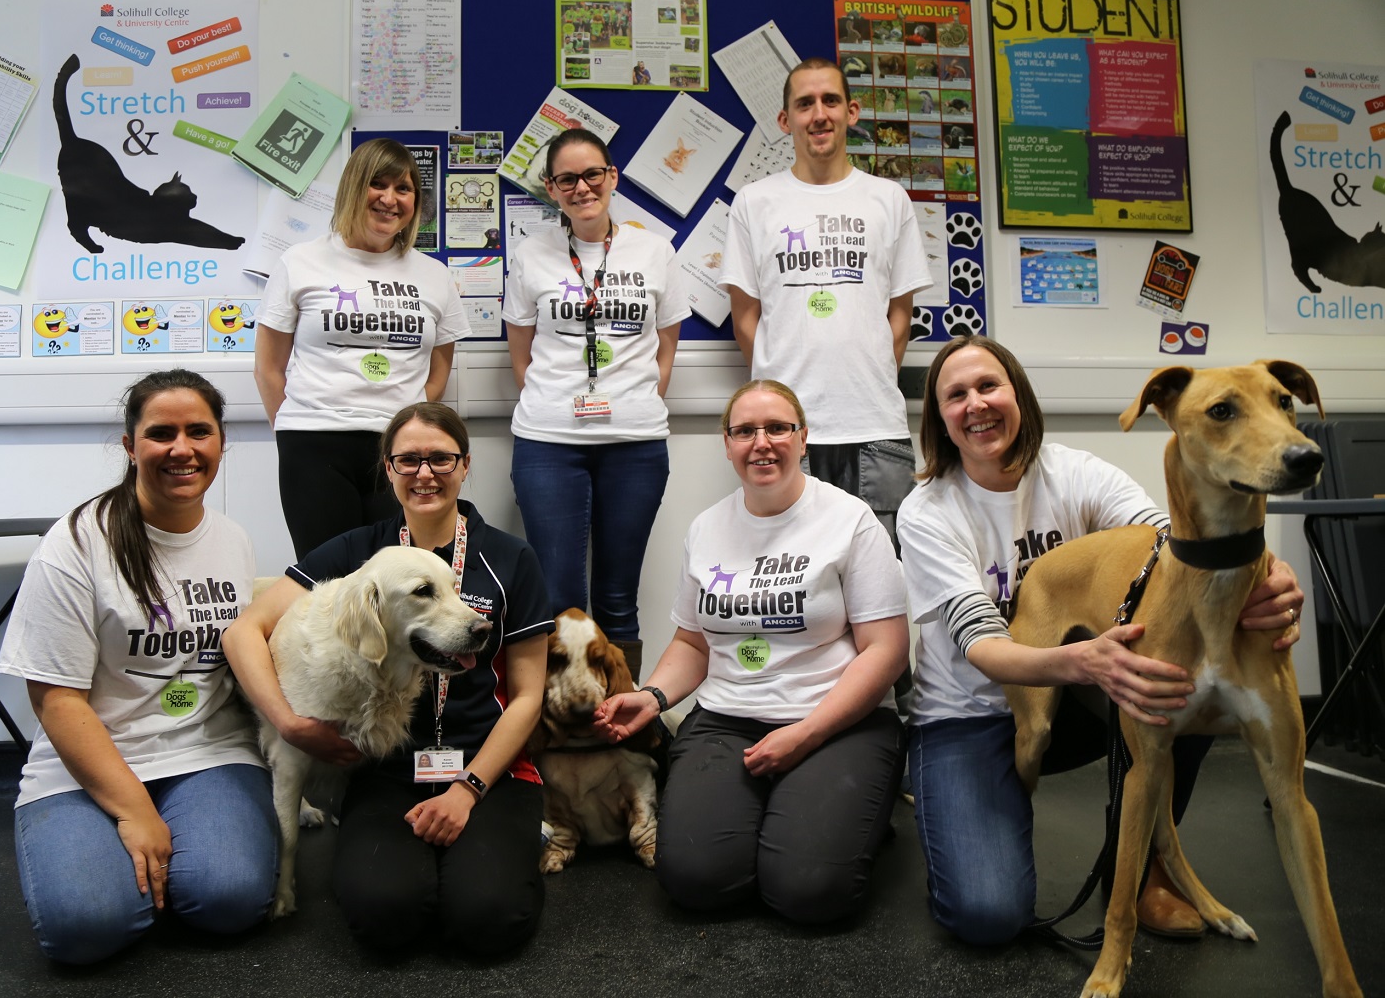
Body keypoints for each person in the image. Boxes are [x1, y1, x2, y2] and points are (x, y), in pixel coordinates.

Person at [896, 337, 1305, 945]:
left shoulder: (1076, 473)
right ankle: (946, 800)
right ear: (940, 419)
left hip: (1081, 696)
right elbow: (981, 643)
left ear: (1018, 397)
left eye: (989, 386)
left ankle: (1145, 873)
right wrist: (1084, 660)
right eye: (956, 395)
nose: (976, 404)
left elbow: (1176, 543)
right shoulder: (927, 510)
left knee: (1173, 677)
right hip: (968, 714)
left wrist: (1267, 574)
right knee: (989, 915)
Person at [223, 402, 552, 956]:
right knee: (383, 920)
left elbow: (526, 697)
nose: (426, 473)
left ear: (465, 464)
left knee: (488, 922)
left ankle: (510, 842)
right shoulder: (357, 552)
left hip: (485, 767)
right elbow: (242, 633)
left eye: (441, 459)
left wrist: (467, 792)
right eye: (409, 460)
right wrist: (289, 724)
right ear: (389, 468)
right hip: (387, 770)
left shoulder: (510, 558)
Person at [594, 380, 909, 923]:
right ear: (727, 444)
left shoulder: (850, 520)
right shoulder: (708, 527)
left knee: (809, 891)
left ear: (803, 438)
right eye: (745, 431)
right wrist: (652, 697)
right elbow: (694, 641)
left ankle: (847, 816)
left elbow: (887, 651)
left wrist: (804, 735)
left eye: (778, 428)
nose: (761, 442)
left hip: (835, 720)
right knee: (696, 880)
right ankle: (786, 815)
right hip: (727, 721)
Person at [0, 369, 276, 965]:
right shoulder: (74, 545)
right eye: (161, 433)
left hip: (208, 751)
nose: (182, 449)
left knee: (230, 901)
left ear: (221, 444)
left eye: (199, 431)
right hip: (89, 762)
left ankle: (167, 874)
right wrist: (136, 813)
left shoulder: (232, 540)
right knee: (84, 929)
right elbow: (55, 699)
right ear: (130, 446)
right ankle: (134, 874)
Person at [719, 57, 932, 549]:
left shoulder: (888, 199)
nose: (819, 114)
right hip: (784, 433)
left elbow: (900, 316)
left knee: (884, 580)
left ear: (851, 111)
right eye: (805, 103)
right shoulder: (754, 202)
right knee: (794, 582)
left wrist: (867, 377)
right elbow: (745, 320)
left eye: (830, 101)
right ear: (784, 119)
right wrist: (778, 401)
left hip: (876, 424)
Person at [504, 128, 689, 676]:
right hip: (548, 443)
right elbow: (521, 352)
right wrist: (559, 399)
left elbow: (666, 348)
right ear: (551, 188)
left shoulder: (655, 251)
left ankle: (619, 717)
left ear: (612, 177)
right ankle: (560, 721)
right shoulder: (531, 255)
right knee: (560, 599)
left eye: (592, 174)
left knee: (617, 599)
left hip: (635, 444)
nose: (581, 187)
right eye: (567, 179)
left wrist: (633, 402)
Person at [256, 138, 471, 560]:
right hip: (314, 445)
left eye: (404, 189)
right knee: (327, 583)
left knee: (397, 581)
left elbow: (439, 369)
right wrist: (296, 429)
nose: (390, 199)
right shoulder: (300, 262)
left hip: (400, 452)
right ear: (354, 187)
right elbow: (268, 368)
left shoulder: (433, 274)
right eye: (378, 184)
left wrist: (409, 425)